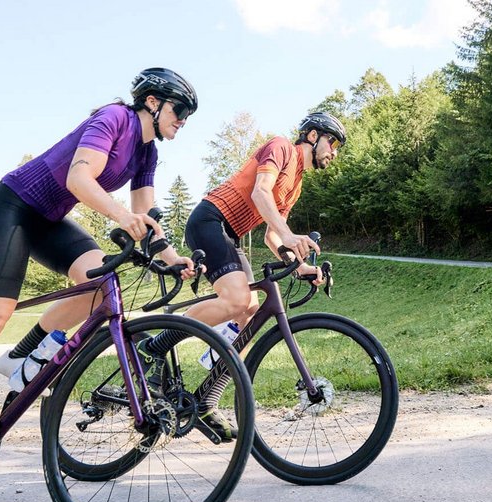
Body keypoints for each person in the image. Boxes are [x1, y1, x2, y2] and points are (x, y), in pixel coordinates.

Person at [0, 68, 200, 502]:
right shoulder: (114, 118)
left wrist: (171, 257)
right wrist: (121, 217)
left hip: (50, 220)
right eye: (180, 110)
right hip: (13, 208)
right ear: (152, 102)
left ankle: (23, 354)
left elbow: (146, 214)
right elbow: (80, 179)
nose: (184, 120)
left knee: (100, 285)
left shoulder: (147, 151)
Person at [137, 111, 345, 443]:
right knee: (236, 299)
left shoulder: (296, 184)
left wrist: (301, 266)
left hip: (230, 234)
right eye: (332, 142)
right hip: (210, 219)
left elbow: (272, 236)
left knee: (250, 313)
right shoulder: (281, 147)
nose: (334, 152)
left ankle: (206, 401)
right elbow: (260, 194)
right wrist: (290, 235)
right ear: (312, 136)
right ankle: (153, 347)